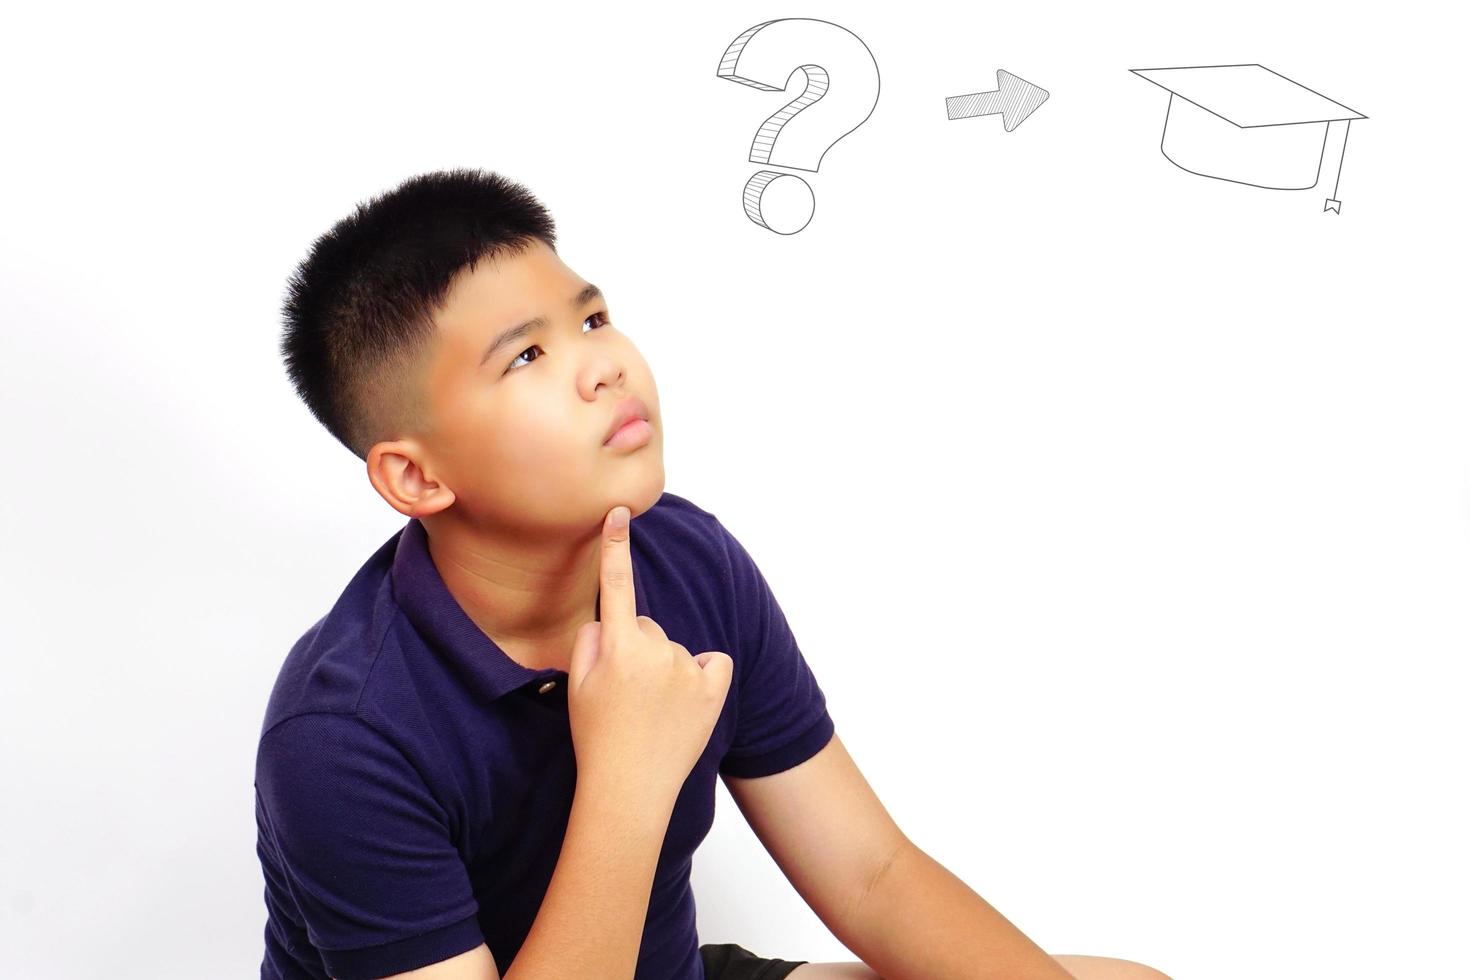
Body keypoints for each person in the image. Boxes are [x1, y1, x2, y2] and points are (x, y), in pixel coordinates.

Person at [254, 168, 1174, 980]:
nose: (602, 365)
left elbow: (872, 874)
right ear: (416, 476)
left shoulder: (689, 561)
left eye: (594, 317)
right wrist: (624, 770)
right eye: (528, 355)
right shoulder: (340, 734)